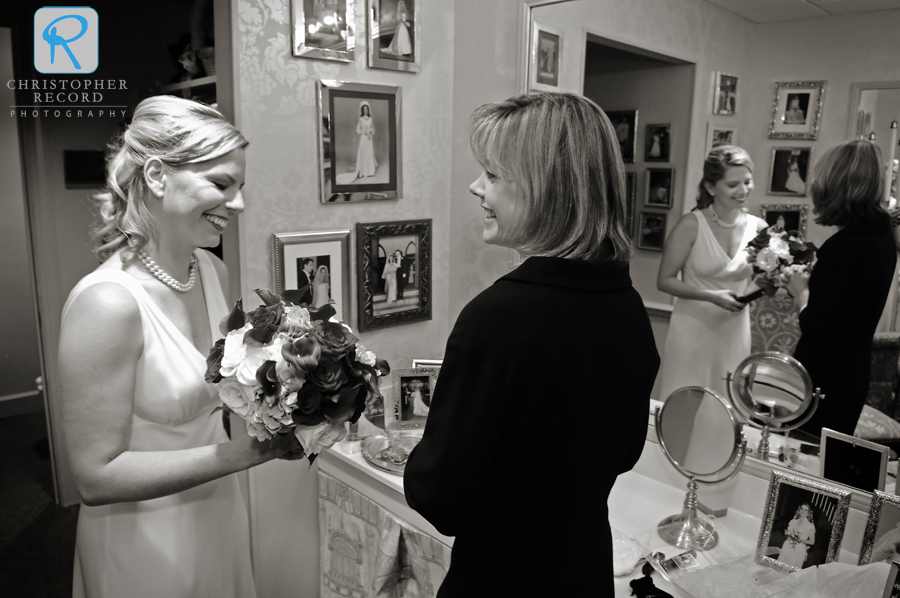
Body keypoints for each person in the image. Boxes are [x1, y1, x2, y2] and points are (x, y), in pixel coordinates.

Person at [403, 92, 660, 597]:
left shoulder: (499, 317)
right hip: (582, 568)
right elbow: (626, 452)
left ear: (548, 189)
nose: (477, 187)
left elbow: (441, 496)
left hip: (504, 576)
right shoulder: (628, 305)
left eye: (493, 175)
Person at [57, 96, 300, 598]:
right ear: (157, 175)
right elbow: (95, 477)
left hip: (218, 512)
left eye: (241, 186)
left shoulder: (211, 272)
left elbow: (225, 388)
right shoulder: (107, 304)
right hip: (144, 537)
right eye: (221, 184)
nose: (238, 204)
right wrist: (252, 452)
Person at [788, 140, 897, 438]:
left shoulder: (844, 248)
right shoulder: (882, 235)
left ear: (835, 185)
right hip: (853, 376)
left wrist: (802, 292)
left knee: (803, 464)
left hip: (825, 381)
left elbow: (822, 334)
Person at [657, 145, 767, 400]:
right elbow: (664, 281)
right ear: (710, 187)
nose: (743, 191)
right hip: (693, 327)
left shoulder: (759, 227)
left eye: (747, 182)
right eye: (732, 185)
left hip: (734, 329)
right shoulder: (691, 225)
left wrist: (750, 294)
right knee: (684, 399)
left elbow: (765, 277)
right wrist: (712, 296)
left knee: (728, 401)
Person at [778, 504, 816, 568]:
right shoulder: (792, 521)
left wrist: (799, 540)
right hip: (787, 546)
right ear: (799, 510)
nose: (803, 511)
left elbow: (812, 542)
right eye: (802, 509)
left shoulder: (810, 526)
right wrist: (788, 535)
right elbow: (787, 535)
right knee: (780, 566)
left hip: (799, 549)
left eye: (806, 510)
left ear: (808, 513)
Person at [355, 101, 377, 178]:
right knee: (363, 153)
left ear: (368, 110)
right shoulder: (361, 119)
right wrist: (364, 132)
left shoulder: (370, 119)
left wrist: (371, 131)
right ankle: (363, 172)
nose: (365, 110)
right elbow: (358, 129)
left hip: (369, 139)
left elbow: (373, 129)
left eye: (366, 109)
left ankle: (370, 171)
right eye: (364, 109)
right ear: (362, 110)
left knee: (369, 153)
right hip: (364, 138)